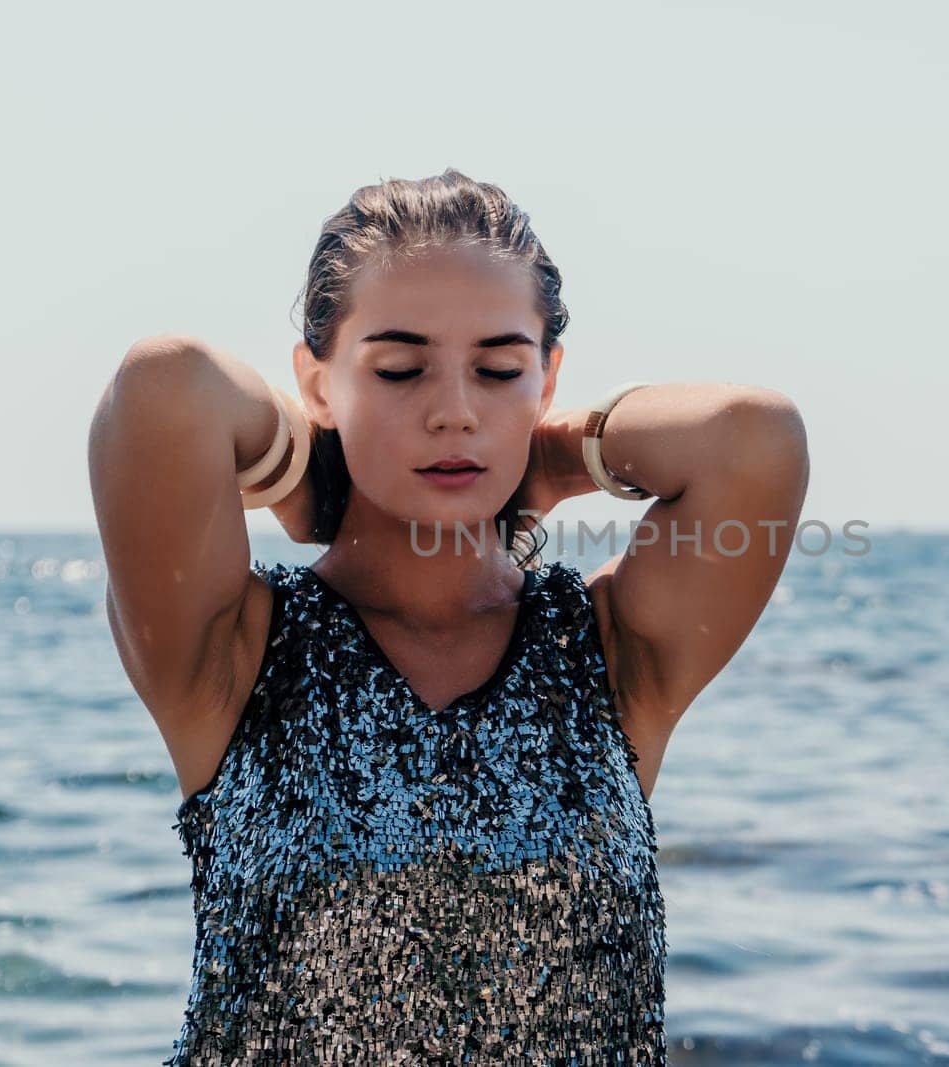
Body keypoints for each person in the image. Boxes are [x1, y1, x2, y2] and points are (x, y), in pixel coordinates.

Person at [87, 169, 809, 1064]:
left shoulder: (613, 659)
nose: (455, 412)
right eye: (398, 368)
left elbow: (753, 439)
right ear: (317, 381)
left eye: (499, 369)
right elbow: (165, 387)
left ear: (547, 379)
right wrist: (309, 470)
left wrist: (552, 458)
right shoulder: (235, 656)